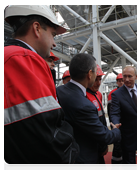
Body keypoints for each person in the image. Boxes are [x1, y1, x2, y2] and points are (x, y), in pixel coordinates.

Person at [4, 5, 79, 170]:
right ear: (37, 28)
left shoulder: (7, 56)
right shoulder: (22, 58)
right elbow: (46, 139)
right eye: (53, 35)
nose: (54, 43)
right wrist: (72, 150)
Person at [56, 53, 121, 170]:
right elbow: (105, 136)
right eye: (96, 72)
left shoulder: (58, 91)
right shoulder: (84, 105)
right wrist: (116, 131)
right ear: (90, 74)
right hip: (82, 159)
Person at [86, 64, 107, 170]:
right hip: (92, 143)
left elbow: (101, 118)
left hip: (100, 139)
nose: (98, 83)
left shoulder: (98, 94)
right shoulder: (83, 96)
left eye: (100, 79)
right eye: (95, 79)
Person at [107, 73, 124, 170]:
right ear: (117, 82)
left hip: (125, 124)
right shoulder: (112, 93)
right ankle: (115, 166)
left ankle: (125, 163)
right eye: (119, 81)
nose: (121, 82)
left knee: (125, 144)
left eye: (122, 80)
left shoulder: (127, 92)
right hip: (116, 124)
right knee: (117, 145)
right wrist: (113, 124)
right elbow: (110, 111)